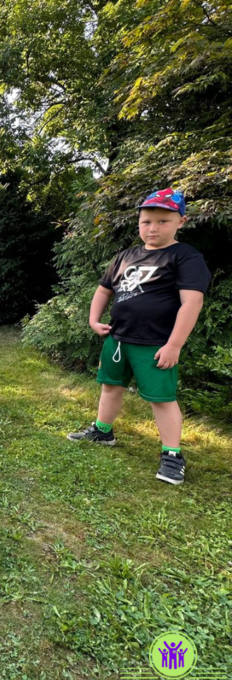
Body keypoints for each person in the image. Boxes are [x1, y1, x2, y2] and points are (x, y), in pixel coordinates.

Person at [67, 189, 211, 485]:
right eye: (146, 221)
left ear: (181, 221)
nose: (153, 228)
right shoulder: (127, 255)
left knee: (162, 399)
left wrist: (174, 345)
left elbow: (192, 303)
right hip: (118, 339)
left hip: (156, 344)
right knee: (111, 387)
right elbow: (104, 289)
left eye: (162, 221)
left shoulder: (185, 256)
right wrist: (93, 320)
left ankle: (172, 455)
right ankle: (103, 431)